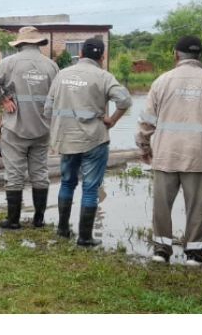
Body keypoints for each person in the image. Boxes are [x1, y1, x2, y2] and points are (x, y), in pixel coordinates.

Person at [135, 35, 202, 266]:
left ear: (175, 55)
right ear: (200, 56)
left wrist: (143, 146)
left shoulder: (162, 81)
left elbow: (146, 121)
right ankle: (194, 255)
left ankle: (161, 251)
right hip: (200, 155)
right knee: (197, 207)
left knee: (162, 205)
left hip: (166, 154)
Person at [44, 36, 132, 247]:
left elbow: (48, 109)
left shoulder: (61, 75)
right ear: (102, 57)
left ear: (80, 54)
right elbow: (125, 100)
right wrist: (111, 120)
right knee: (90, 188)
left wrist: (61, 126)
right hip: (94, 139)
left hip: (67, 140)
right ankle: (84, 237)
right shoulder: (104, 76)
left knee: (67, 182)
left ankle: (63, 229)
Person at [0, 26, 60, 230]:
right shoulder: (52, 67)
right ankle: (39, 220)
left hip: (15, 130)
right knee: (40, 173)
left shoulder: (9, 63)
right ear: (38, 44)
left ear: (20, 44)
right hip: (42, 130)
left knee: (14, 175)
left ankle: (13, 221)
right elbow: (58, 99)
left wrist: (2, 99)